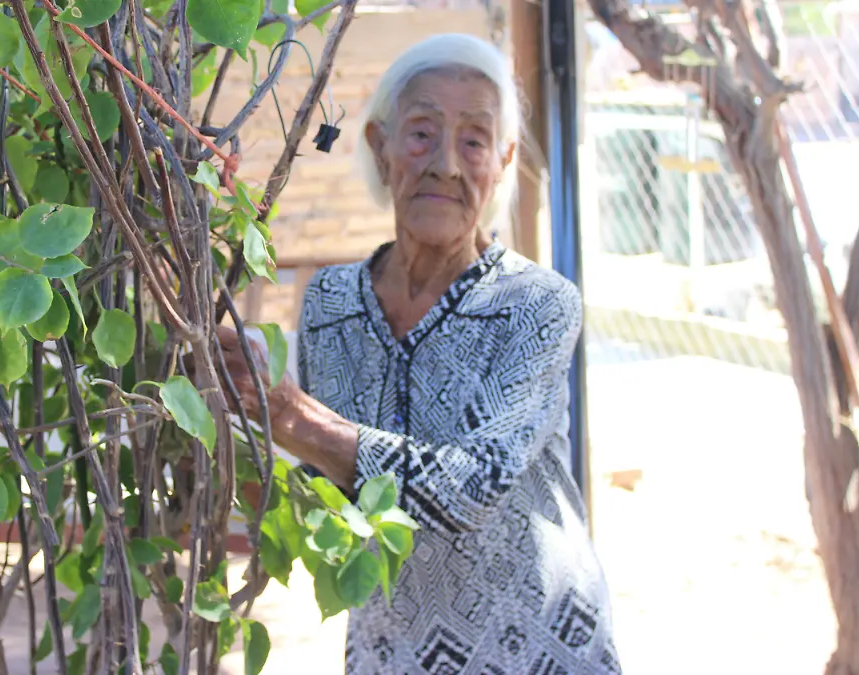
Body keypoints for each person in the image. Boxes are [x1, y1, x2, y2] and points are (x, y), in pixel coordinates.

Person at [218, 33, 620, 674]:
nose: (447, 165)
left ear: (502, 161)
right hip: (392, 650)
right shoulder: (331, 300)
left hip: (538, 649)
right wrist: (242, 415)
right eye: (422, 133)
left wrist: (294, 419)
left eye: (474, 141)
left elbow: (472, 487)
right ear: (380, 146)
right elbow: (338, 496)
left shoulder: (537, 304)